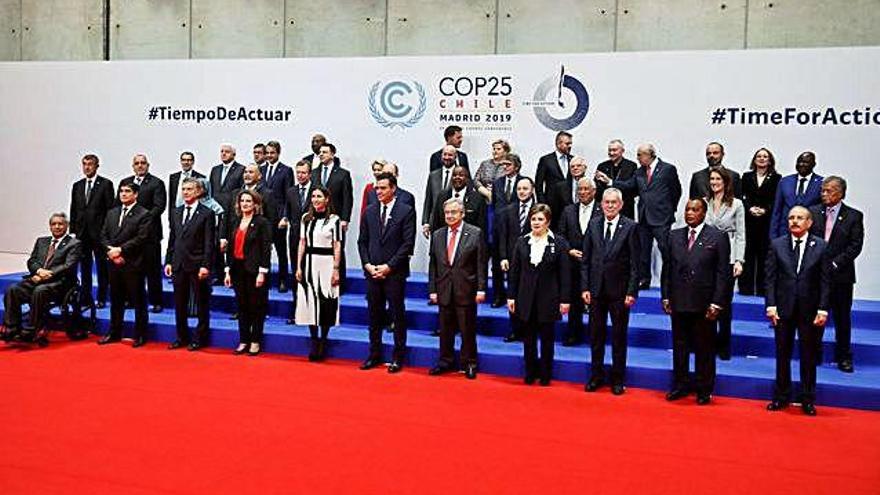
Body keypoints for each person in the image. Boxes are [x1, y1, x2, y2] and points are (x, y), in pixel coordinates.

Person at [662, 199, 731, 405]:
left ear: (704, 212)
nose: (690, 213)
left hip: (705, 304)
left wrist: (717, 303)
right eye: (688, 209)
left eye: (695, 209)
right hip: (679, 301)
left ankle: (704, 389)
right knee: (680, 346)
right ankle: (681, 385)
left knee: (704, 348)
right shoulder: (674, 236)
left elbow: (723, 274)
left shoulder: (717, 236)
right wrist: (666, 296)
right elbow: (667, 270)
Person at [766, 206, 830, 416]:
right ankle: (781, 396)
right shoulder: (777, 245)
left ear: (809, 223)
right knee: (782, 355)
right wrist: (771, 305)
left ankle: (807, 399)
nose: (794, 221)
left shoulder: (821, 246)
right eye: (791, 217)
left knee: (808, 356)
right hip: (783, 309)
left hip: (810, 311)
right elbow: (770, 279)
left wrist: (823, 309)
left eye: (799, 218)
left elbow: (825, 281)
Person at [596, 143, 681, 289]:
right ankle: (644, 279)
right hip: (643, 217)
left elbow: (676, 191)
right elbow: (629, 186)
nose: (638, 158)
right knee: (642, 251)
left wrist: (669, 210)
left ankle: (671, 280)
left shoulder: (668, 169)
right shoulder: (640, 172)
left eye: (640, 155)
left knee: (666, 250)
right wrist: (610, 182)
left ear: (649, 155)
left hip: (662, 218)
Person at [582, 188, 640, 394]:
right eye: (606, 202)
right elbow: (586, 260)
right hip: (596, 291)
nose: (610, 206)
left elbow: (635, 263)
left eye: (614, 202)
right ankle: (596, 376)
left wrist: (632, 291)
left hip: (620, 292)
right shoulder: (594, 224)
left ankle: (617, 379)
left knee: (618, 337)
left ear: (621, 205)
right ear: (601, 204)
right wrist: (585, 287)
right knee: (595, 336)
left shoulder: (631, 227)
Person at [357, 173, 416, 373]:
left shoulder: (406, 211)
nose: (379, 192)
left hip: (395, 273)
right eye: (377, 188)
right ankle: (374, 354)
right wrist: (367, 264)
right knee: (374, 315)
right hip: (372, 273)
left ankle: (398, 357)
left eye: (383, 188)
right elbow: (362, 242)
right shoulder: (370, 211)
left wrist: (389, 266)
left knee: (397, 315)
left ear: (393, 189)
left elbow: (407, 244)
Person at [507, 204, 571, 386]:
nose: (536, 222)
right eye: (533, 219)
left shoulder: (559, 243)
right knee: (528, 339)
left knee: (547, 339)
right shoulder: (521, 242)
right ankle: (530, 372)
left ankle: (545, 374)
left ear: (548, 222)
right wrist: (511, 296)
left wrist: (565, 299)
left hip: (549, 298)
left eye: (540, 219)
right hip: (525, 297)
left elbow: (565, 274)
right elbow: (515, 273)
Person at [427, 198, 486, 379]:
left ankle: (469, 363)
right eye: (447, 213)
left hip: (466, 289)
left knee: (467, 329)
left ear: (462, 213)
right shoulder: (437, 235)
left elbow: (480, 264)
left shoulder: (475, 233)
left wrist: (481, 289)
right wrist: (433, 289)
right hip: (444, 289)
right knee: (445, 330)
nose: (450, 216)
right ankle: (445, 361)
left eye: (453, 212)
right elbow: (433, 265)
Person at [809, 176, 863, 373]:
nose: (824, 194)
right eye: (823, 190)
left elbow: (855, 246)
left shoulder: (854, 216)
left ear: (841, 193)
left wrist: (835, 263)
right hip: (815, 275)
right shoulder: (813, 212)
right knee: (815, 315)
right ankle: (813, 353)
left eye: (829, 191)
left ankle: (844, 357)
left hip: (841, 277)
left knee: (842, 318)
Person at [3, 213, 81, 342]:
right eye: (54, 224)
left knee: (40, 291)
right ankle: (12, 328)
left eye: (60, 224)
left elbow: (68, 265)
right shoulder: (42, 241)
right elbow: (32, 261)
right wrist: (39, 271)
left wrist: (46, 275)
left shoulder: (74, 243)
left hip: (61, 283)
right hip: (37, 278)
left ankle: (31, 330)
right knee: (13, 289)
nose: (57, 227)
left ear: (66, 226)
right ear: (50, 226)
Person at [164, 178, 215, 351]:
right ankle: (181, 337)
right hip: (178, 263)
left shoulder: (207, 213)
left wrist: (206, 265)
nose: (186, 192)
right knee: (179, 303)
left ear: (198, 191)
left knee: (201, 303)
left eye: (189, 189)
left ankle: (200, 338)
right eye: (183, 189)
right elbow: (173, 239)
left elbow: (209, 242)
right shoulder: (176, 212)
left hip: (197, 264)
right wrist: (169, 260)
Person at [98, 183, 151, 347]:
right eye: (121, 191)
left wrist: (120, 250)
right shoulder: (112, 213)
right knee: (116, 299)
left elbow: (141, 238)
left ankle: (140, 334)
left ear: (136, 194)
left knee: (138, 300)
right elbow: (103, 235)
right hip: (114, 262)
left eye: (127, 191)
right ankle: (114, 332)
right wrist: (111, 252)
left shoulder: (144, 214)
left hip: (132, 263)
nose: (123, 194)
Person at [295, 186, 342, 362]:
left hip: (327, 263)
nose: (315, 199)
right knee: (310, 301)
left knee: (326, 301)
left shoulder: (334, 220)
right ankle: (314, 340)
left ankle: (323, 340)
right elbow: (302, 242)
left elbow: (337, 245)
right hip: (309, 262)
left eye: (319, 196)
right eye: (313, 196)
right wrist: (299, 266)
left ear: (327, 199)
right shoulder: (305, 219)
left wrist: (336, 268)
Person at [703, 168, 745, 361]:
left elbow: (741, 235)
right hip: (707, 257)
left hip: (727, 257)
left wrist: (739, 260)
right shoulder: (704, 203)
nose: (714, 182)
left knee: (723, 303)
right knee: (706, 301)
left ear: (726, 182)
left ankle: (724, 345)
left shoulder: (737, 204)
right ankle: (708, 343)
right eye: (711, 178)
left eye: (718, 178)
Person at [224, 190, 271, 356]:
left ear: (256, 204)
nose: (245, 204)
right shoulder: (235, 221)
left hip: (254, 270)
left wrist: (262, 272)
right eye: (242, 201)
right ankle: (243, 340)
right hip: (237, 269)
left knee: (256, 307)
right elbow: (230, 248)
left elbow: (265, 249)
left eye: (248, 201)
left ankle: (255, 341)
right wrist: (227, 270)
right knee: (242, 306)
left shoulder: (262, 223)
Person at [120, 154, 167, 312]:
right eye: (137, 163)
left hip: (150, 234)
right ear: (133, 166)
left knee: (152, 270)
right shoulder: (125, 183)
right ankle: (130, 299)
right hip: (128, 235)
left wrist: (141, 220)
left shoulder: (156, 183)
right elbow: (118, 205)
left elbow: (159, 207)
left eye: (143, 163)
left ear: (148, 165)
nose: (140, 166)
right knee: (129, 270)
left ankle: (156, 301)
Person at [558, 177, 600, 346]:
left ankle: (594, 336)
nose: (582, 192)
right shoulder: (568, 210)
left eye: (586, 189)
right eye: (580, 189)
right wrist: (569, 250)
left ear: (594, 192)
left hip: (596, 264)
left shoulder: (601, 210)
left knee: (596, 302)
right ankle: (573, 334)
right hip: (573, 264)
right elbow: (560, 235)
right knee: (575, 301)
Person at [69, 154, 114, 308]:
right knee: (85, 267)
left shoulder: (105, 184)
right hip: (82, 234)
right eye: (85, 164)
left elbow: (110, 210)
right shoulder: (78, 185)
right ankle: (85, 297)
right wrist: (73, 231)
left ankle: (101, 298)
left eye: (90, 164)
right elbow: (74, 209)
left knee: (102, 267)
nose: (87, 167)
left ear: (97, 166)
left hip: (99, 234)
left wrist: (107, 232)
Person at [498, 176, 536, 342]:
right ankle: (515, 329)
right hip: (513, 260)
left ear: (532, 190)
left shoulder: (539, 210)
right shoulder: (508, 210)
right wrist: (503, 257)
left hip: (534, 260)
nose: (521, 192)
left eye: (525, 189)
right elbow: (502, 236)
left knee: (531, 296)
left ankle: (530, 330)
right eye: (519, 189)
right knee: (513, 294)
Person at [311, 142, 353, 289]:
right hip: (317, 218)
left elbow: (348, 198)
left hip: (336, 218)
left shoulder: (343, 174)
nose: (321, 154)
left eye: (324, 152)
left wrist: (345, 219)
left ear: (332, 154)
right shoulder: (314, 172)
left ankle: (340, 283)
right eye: (320, 152)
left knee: (337, 249)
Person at [740, 148, 781, 296]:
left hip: (766, 222)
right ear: (754, 159)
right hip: (748, 221)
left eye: (765, 156)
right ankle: (746, 289)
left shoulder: (777, 178)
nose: (762, 159)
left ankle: (763, 290)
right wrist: (749, 208)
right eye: (759, 156)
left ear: (770, 160)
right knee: (747, 255)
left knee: (765, 256)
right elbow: (742, 196)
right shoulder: (746, 177)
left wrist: (765, 210)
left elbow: (776, 199)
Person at [489, 153, 526, 307]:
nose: (504, 167)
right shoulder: (497, 183)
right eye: (503, 165)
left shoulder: (524, 182)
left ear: (516, 166)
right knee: (497, 265)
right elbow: (495, 204)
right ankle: (499, 296)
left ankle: (517, 295)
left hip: (516, 230)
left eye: (508, 164)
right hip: (499, 229)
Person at [283, 160, 314, 324]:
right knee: (297, 273)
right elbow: (287, 211)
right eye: (298, 172)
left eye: (303, 172)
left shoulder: (317, 191)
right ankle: (297, 311)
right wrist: (284, 218)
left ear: (309, 174)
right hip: (295, 237)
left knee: (311, 275)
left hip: (313, 239)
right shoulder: (291, 191)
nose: (300, 175)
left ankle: (312, 311)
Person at [260, 140, 294, 292]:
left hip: (278, 217)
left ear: (278, 153)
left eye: (272, 153)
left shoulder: (286, 170)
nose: (269, 155)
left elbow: (289, 196)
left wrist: (285, 217)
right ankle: (263, 280)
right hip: (262, 217)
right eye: (266, 153)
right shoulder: (260, 169)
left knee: (281, 251)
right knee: (262, 251)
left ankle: (282, 280)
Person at [209, 144, 245, 282]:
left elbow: (241, 191)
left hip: (232, 212)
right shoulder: (215, 170)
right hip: (216, 211)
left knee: (231, 244)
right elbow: (211, 192)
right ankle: (218, 274)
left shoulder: (241, 169)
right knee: (216, 242)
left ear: (233, 155)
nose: (224, 154)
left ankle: (232, 273)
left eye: (227, 152)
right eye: (222, 151)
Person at [770, 151, 824, 238]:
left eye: (805, 162)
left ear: (813, 164)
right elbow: (777, 210)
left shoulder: (821, 183)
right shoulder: (785, 181)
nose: (801, 164)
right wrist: (773, 236)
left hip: (810, 233)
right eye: (799, 162)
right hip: (785, 232)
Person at [430, 165, 487, 235]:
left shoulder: (477, 198)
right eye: (454, 175)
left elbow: (482, 226)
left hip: (469, 241)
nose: (457, 177)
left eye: (461, 175)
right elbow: (436, 222)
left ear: (467, 178)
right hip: (445, 240)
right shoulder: (442, 196)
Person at [422, 145, 458, 239]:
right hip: (435, 223)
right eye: (444, 154)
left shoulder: (461, 174)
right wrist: (426, 222)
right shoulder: (433, 175)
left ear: (455, 156)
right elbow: (428, 199)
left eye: (450, 155)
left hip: (454, 221)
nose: (446, 157)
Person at [595, 139, 637, 219]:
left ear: (622, 151)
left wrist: (609, 182)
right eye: (609, 150)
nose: (611, 153)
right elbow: (597, 190)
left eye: (614, 150)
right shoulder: (602, 166)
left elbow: (632, 188)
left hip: (625, 210)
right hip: (606, 211)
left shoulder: (631, 166)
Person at [547, 156, 588, 232]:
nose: (575, 168)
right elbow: (555, 211)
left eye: (578, 166)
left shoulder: (592, 185)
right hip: (566, 228)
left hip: (586, 226)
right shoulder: (560, 187)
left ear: (585, 168)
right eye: (572, 167)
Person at [535, 131, 573, 201]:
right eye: (567, 144)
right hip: (551, 204)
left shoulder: (573, 160)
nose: (570, 146)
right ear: (558, 144)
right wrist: (542, 204)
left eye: (571, 143)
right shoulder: (546, 160)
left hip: (569, 204)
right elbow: (538, 185)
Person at [169, 151, 206, 220]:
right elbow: (171, 199)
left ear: (193, 162)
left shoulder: (200, 177)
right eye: (183, 160)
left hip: (193, 214)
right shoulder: (173, 177)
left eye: (188, 160)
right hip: (176, 214)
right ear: (181, 161)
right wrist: (170, 216)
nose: (186, 162)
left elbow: (202, 199)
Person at [473, 139, 511, 203]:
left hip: (502, 200)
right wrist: (487, 193)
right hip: (483, 198)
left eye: (498, 149)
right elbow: (476, 181)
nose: (495, 151)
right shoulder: (485, 164)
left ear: (505, 152)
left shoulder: (509, 165)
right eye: (494, 149)